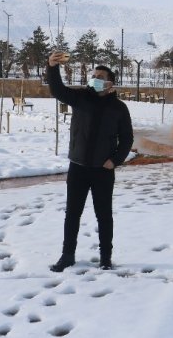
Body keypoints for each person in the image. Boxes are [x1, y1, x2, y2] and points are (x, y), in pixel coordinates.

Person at [46, 51, 133, 271]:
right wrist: (52, 67)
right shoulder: (81, 97)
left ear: (110, 83)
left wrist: (115, 161)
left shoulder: (119, 109)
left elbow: (127, 139)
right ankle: (67, 256)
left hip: (103, 171)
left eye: (100, 77)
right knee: (72, 214)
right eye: (93, 76)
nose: (94, 79)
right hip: (78, 167)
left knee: (104, 215)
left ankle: (105, 258)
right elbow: (57, 90)